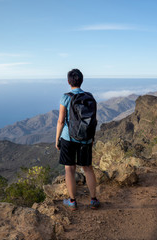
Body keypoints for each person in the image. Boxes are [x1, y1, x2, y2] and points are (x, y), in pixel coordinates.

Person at [55, 69, 100, 210]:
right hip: (86, 138)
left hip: (68, 138)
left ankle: (72, 201)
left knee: (69, 169)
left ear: (69, 82)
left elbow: (61, 121)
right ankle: (93, 200)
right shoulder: (90, 96)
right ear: (81, 80)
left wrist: (57, 139)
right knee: (88, 168)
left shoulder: (66, 97)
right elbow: (93, 120)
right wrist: (91, 138)